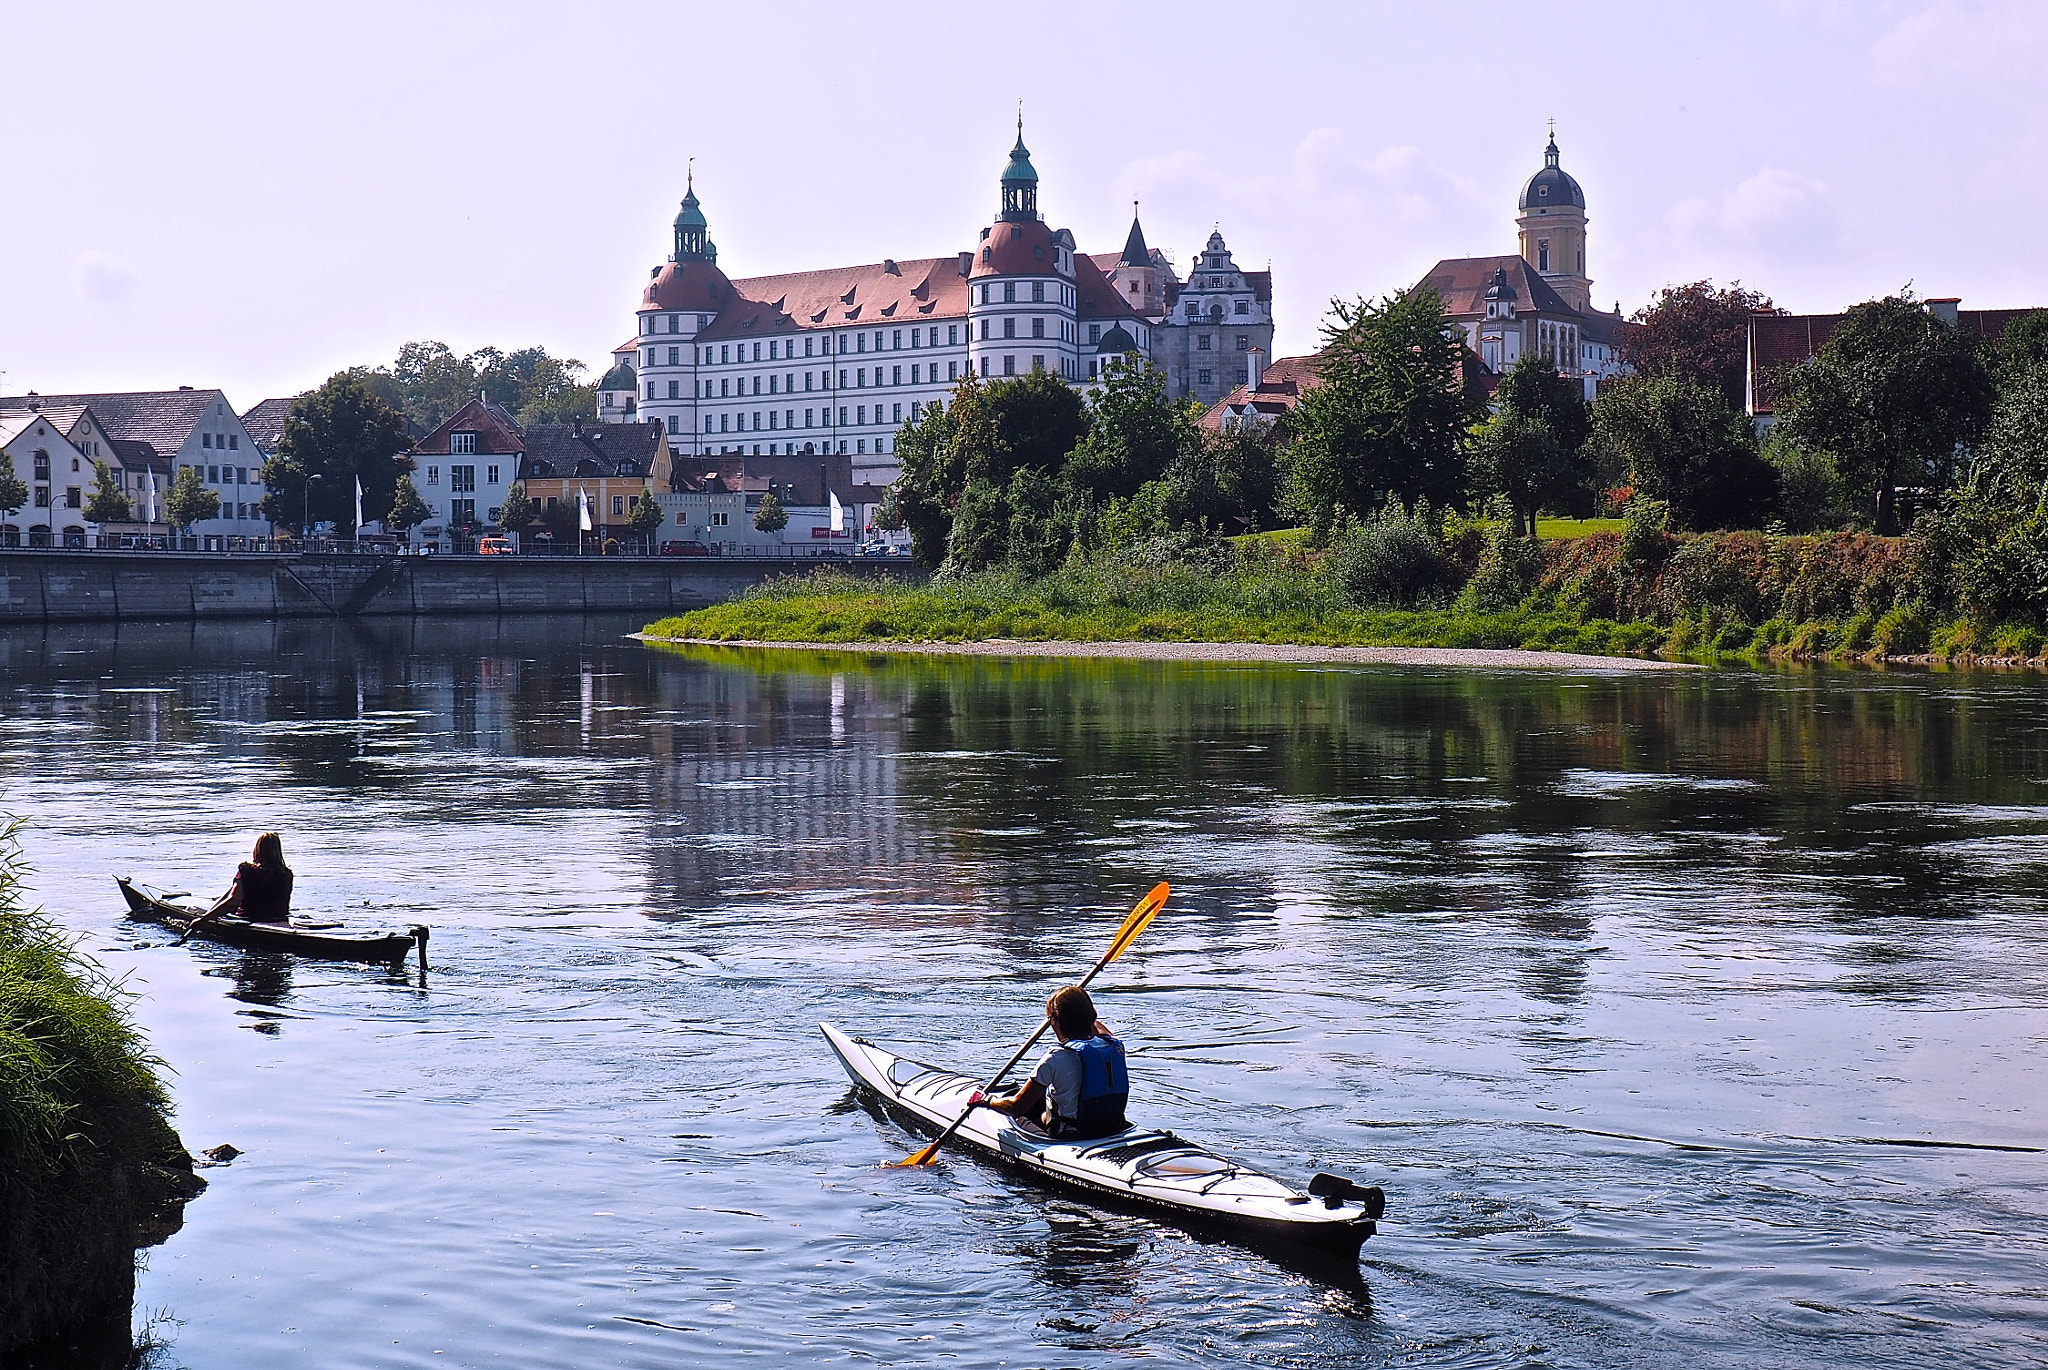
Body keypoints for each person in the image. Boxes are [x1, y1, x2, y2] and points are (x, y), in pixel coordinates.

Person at [980, 985, 1130, 1140]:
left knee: (1018, 1118)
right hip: (1112, 1127)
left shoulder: (1055, 1058)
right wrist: (1080, 1007)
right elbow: (1095, 1026)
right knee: (1043, 1109)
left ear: (1055, 1022)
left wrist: (987, 1101)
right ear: (1092, 1016)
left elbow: (1017, 1107)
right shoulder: (1112, 1045)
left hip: (1072, 1134)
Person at [205, 831, 295, 924]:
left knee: (227, 911)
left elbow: (233, 902)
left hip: (248, 918)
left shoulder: (247, 871)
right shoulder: (287, 874)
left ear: (257, 849)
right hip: (278, 918)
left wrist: (203, 919)